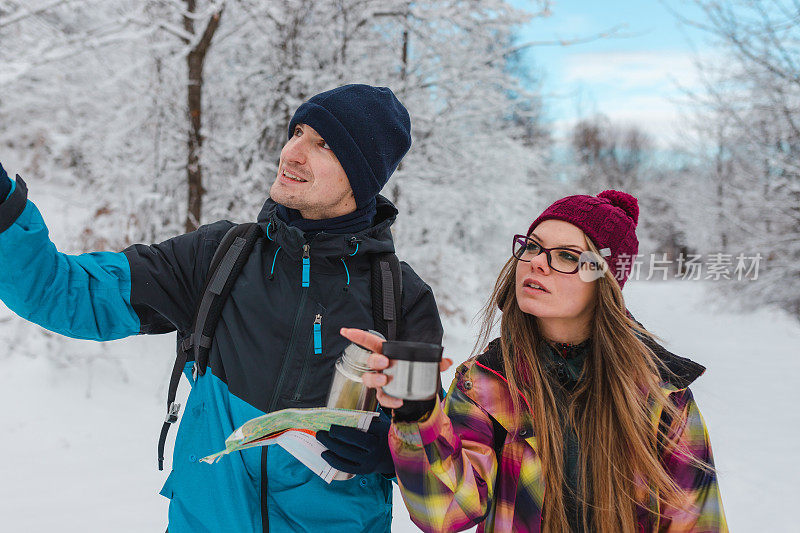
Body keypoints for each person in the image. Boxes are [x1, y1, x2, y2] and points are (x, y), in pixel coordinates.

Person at [0, 84, 443, 532]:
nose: (292, 152)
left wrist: (393, 450)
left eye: (322, 144)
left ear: (362, 175)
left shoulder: (402, 302)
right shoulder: (218, 258)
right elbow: (61, 291)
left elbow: (438, 469)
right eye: (297, 132)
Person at [343, 190, 728, 532]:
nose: (537, 263)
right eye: (532, 246)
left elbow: (696, 521)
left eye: (566, 256)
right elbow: (446, 512)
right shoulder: (485, 382)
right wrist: (416, 409)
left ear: (605, 279)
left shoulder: (660, 393)